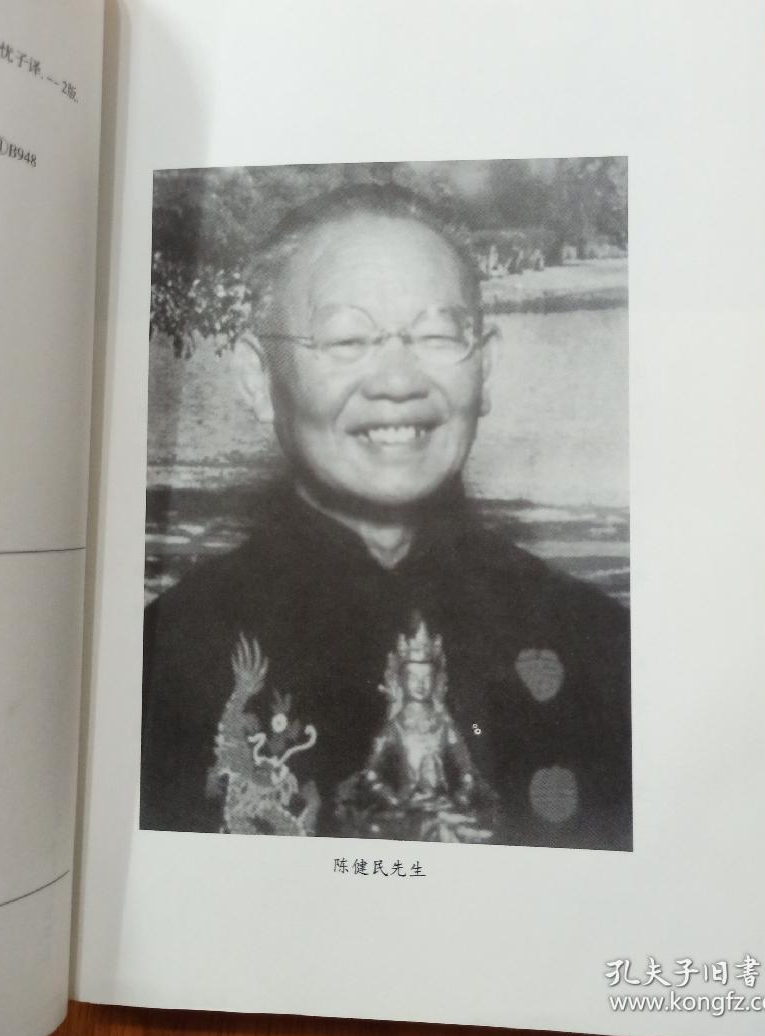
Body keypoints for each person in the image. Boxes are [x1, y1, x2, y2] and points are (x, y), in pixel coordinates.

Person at [141, 183, 631, 849]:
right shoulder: (165, 661)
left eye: (437, 334)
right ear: (259, 379)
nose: (398, 382)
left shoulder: (599, 649)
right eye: (347, 338)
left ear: (486, 367)